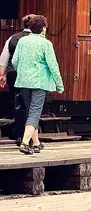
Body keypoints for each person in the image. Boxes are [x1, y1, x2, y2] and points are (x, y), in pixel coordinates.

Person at [11, 15, 64, 155]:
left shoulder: (22, 41)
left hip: (24, 81)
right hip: (39, 82)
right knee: (35, 112)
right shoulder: (45, 43)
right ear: (43, 29)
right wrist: (59, 85)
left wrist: (22, 72)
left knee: (31, 112)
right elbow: (53, 66)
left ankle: (36, 144)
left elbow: (15, 61)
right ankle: (24, 142)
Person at [0, 14, 35, 146]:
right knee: (32, 105)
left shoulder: (12, 38)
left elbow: (4, 58)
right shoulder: (39, 39)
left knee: (19, 102)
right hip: (32, 75)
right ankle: (30, 137)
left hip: (13, 73)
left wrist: (2, 75)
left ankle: (20, 134)